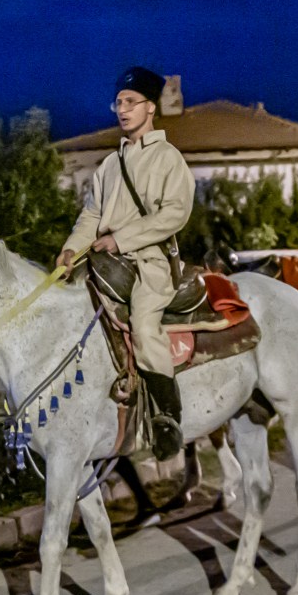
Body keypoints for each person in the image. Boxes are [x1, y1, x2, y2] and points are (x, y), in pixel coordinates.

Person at [56, 66, 196, 461]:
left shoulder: (168, 158)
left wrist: (121, 239)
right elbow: (91, 216)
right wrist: (71, 250)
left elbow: (175, 214)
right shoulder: (108, 166)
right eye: (118, 102)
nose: (122, 109)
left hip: (151, 261)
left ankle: (168, 418)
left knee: (144, 323)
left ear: (151, 107)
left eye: (130, 102)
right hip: (106, 262)